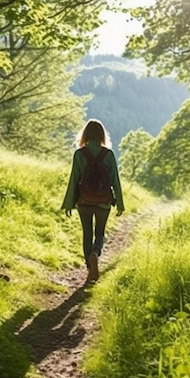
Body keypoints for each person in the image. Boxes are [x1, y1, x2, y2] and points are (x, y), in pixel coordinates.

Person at [61, 119, 125, 283]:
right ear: (102, 135)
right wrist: (119, 203)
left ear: (85, 135)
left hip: (84, 200)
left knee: (87, 234)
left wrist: (69, 203)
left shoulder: (79, 154)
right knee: (100, 233)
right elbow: (114, 180)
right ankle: (95, 253)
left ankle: (90, 268)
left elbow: (74, 180)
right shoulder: (108, 154)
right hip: (103, 201)